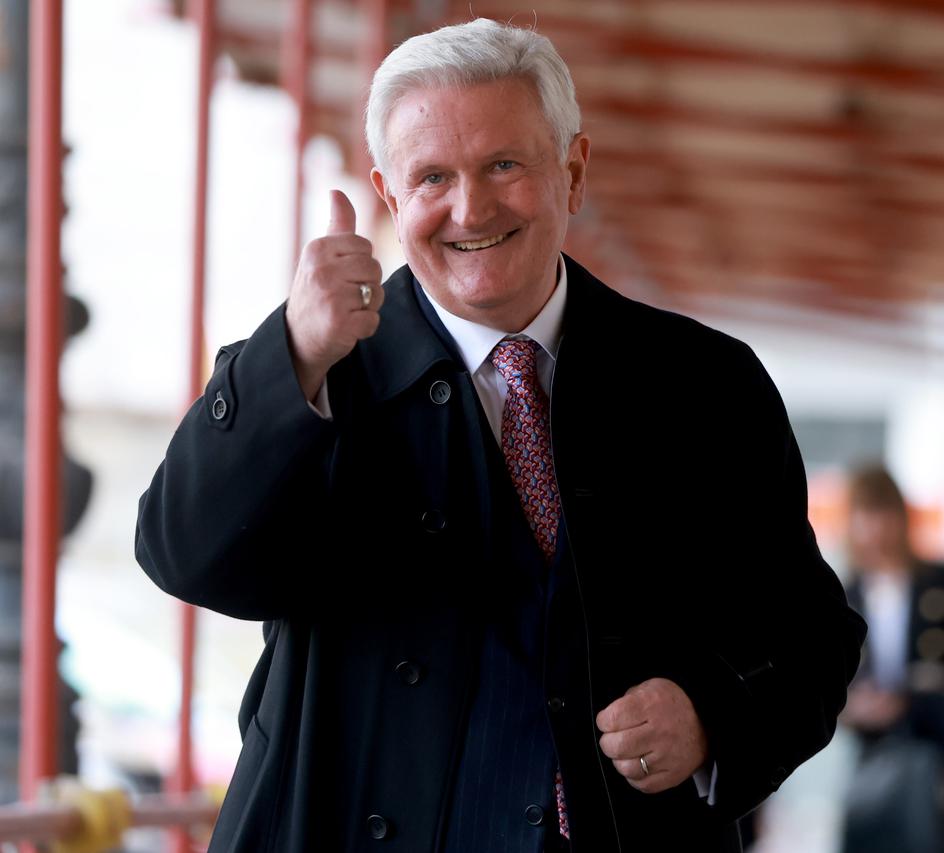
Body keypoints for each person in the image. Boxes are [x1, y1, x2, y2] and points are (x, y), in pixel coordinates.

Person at [135, 18, 864, 853]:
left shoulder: (704, 383)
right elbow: (184, 555)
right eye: (432, 177)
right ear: (389, 196)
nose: (470, 208)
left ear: (573, 172)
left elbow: (813, 636)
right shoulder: (316, 373)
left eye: (504, 165)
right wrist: (291, 351)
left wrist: (709, 713)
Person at [838, 465, 944, 853]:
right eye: (865, 515)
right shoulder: (843, 595)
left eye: (882, 512)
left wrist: (918, 694)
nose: (875, 528)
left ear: (901, 516)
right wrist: (852, 708)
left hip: (942, 761)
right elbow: (826, 685)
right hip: (873, 762)